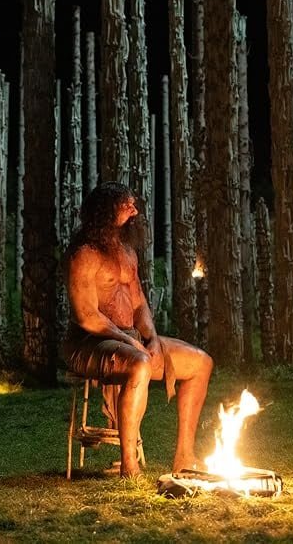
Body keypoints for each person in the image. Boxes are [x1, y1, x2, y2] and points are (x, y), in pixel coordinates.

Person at [62, 181, 214, 478]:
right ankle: (129, 466)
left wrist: (152, 338)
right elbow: (87, 316)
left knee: (201, 363)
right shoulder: (84, 253)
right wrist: (128, 342)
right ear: (107, 211)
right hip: (90, 343)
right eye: (127, 205)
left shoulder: (127, 252)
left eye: (134, 204)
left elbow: (139, 304)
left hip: (130, 340)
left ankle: (185, 457)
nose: (135, 210)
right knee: (141, 363)